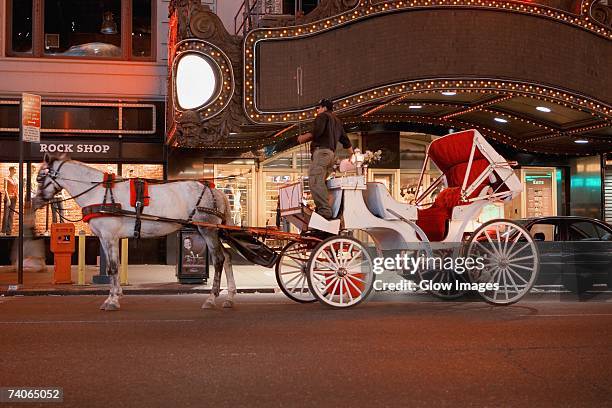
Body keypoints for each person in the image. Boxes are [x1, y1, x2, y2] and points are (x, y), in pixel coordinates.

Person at [296, 99, 353, 220]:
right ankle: (327, 207)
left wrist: (304, 137)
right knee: (321, 181)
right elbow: (345, 140)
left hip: (321, 153)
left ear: (324, 108)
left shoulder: (322, 116)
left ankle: (324, 210)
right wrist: (351, 154)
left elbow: (317, 132)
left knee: (315, 179)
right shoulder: (337, 121)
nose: (317, 111)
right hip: (331, 155)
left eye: (318, 108)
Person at [2, 166, 18, 235]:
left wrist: (17, 196)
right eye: (14, 169)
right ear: (11, 170)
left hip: (14, 198)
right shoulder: (6, 178)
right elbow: (5, 189)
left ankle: (9, 232)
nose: (15, 170)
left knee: (11, 215)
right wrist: (8, 199)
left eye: (16, 169)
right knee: (6, 215)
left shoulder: (15, 179)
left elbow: (16, 188)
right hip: (8, 198)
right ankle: (3, 231)